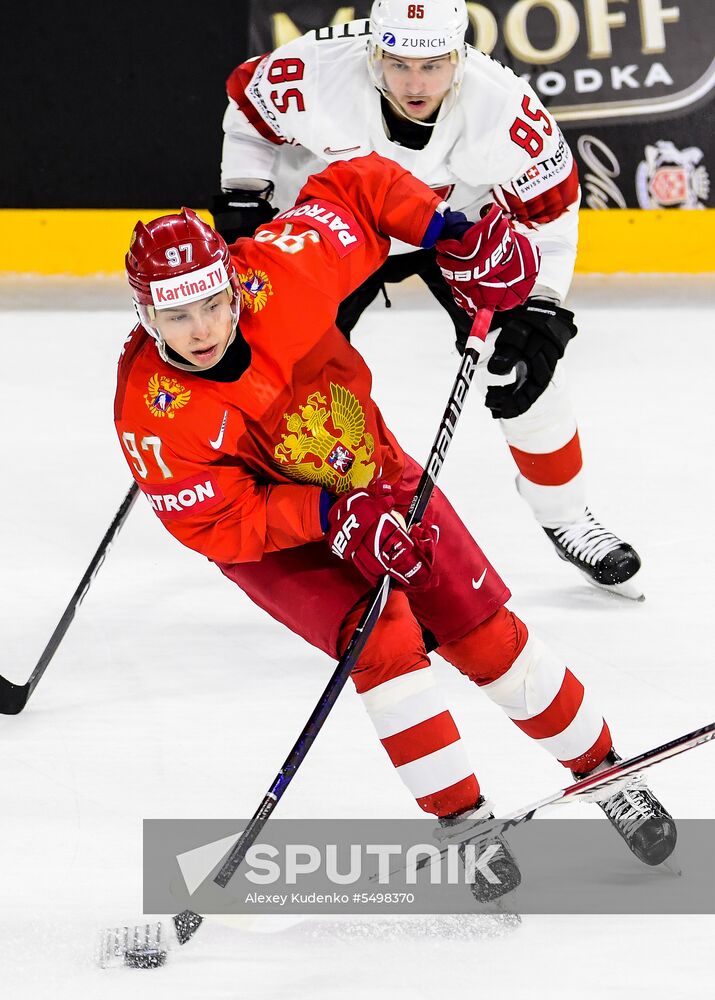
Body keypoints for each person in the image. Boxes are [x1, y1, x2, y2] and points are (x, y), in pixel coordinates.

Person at [115, 153, 674, 902]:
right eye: (176, 317)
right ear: (146, 318)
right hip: (277, 537)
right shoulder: (151, 413)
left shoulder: (279, 271)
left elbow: (357, 188)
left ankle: (605, 770)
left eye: (212, 303)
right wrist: (325, 517)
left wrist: (450, 232)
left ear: (232, 285)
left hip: (368, 472)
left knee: (481, 631)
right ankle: (461, 821)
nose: (202, 328)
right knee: (381, 641)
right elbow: (217, 523)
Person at [212, 0, 643, 600]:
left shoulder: (504, 110)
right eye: (400, 64)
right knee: (284, 368)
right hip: (339, 221)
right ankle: (302, 519)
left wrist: (540, 309)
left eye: (434, 65)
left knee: (525, 372)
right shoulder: (314, 69)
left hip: (459, 229)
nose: (416, 83)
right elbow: (248, 114)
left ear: (460, 60)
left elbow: (551, 214)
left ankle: (568, 517)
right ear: (373, 55)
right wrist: (244, 195)